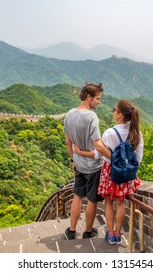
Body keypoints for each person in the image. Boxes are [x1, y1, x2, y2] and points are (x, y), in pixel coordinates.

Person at [73, 99, 143, 245]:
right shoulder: (136, 133)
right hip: (126, 173)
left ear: (120, 115)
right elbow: (138, 158)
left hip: (110, 171)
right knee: (121, 202)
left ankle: (111, 234)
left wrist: (80, 152)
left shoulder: (109, 133)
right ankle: (118, 234)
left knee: (109, 202)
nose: (113, 111)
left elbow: (98, 155)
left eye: (114, 110)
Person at [63, 82, 109, 240]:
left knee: (77, 195)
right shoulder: (91, 117)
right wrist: (112, 156)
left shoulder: (69, 114)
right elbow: (98, 145)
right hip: (93, 166)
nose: (99, 102)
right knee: (92, 199)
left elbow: (68, 142)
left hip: (79, 164)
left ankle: (71, 230)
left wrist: (73, 159)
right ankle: (88, 232)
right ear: (88, 97)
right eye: (97, 98)